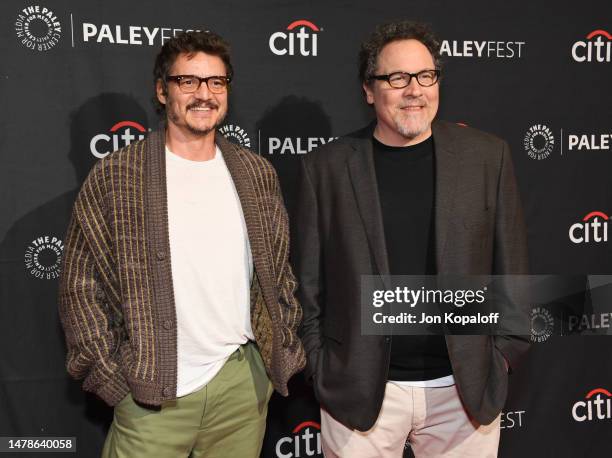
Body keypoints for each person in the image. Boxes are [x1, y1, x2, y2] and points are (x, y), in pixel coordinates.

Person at [58, 31, 305, 458]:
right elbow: (80, 287)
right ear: (162, 90)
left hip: (241, 387)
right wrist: (113, 380)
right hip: (150, 396)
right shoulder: (118, 176)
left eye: (216, 82)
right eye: (188, 82)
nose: (204, 94)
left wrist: (278, 350)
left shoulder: (256, 173)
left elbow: (279, 272)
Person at [293, 21, 529, 457]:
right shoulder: (324, 169)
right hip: (359, 396)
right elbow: (308, 284)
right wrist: (321, 366)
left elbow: (510, 271)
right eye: (397, 78)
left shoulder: (486, 157)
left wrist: (501, 356)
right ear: (369, 90)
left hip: (464, 394)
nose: (414, 90)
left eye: (425, 76)